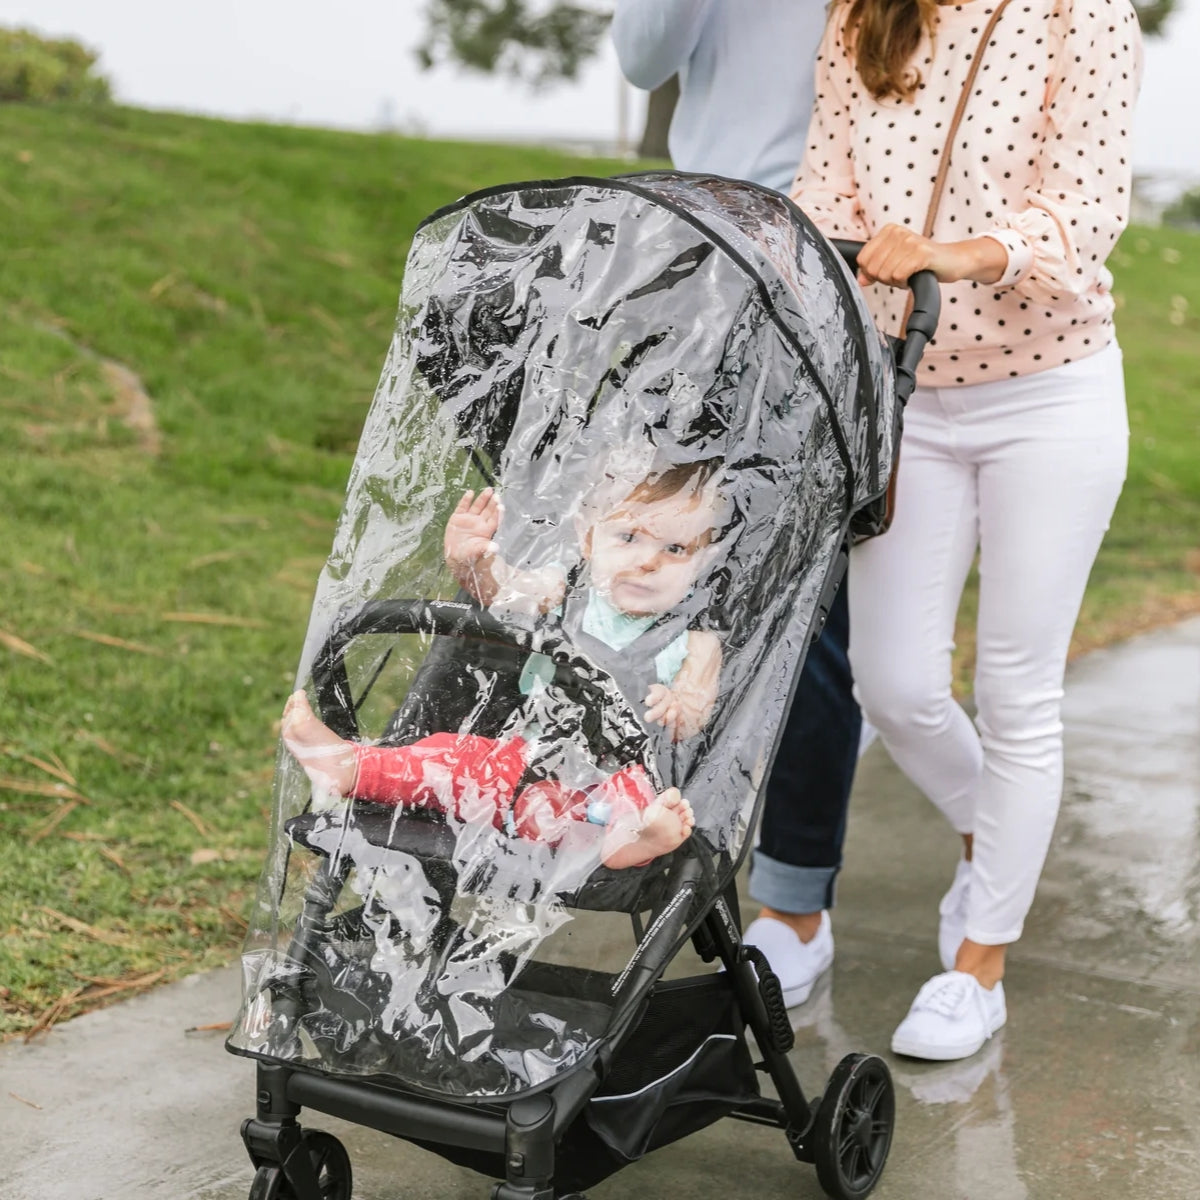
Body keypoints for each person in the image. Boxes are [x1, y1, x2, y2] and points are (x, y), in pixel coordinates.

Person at [791, 0, 1142, 1058]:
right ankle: (998, 842)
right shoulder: (861, 12)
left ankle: (978, 966)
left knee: (1016, 689)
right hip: (906, 393)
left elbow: (1086, 208)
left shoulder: (1085, 11)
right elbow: (825, 182)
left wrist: (962, 252)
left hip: (1050, 392)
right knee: (893, 684)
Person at [611, 0, 855, 1008]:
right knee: (646, 566)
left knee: (804, 608)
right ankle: (622, 828)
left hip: (830, 276)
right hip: (697, 265)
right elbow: (643, 56)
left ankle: (793, 902)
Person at [282, 458, 728, 870]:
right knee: (449, 755)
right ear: (589, 538)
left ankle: (632, 839)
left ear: (702, 562)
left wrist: (679, 709)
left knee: (639, 798)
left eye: (676, 549)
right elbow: (503, 593)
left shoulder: (694, 643)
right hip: (525, 766)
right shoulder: (563, 592)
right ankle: (352, 766)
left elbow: (697, 715)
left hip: (612, 778)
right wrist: (473, 563)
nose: (648, 562)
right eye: (629, 538)